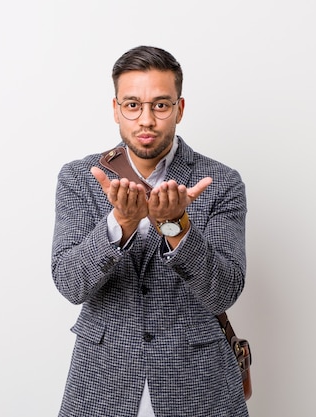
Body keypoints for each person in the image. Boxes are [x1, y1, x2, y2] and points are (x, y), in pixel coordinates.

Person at [51, 45, 249, 417]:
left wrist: (177, 227)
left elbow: (224, 292)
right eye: (132, 105)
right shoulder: (78, 179)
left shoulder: (221, 182)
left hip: (198, 386)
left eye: (160, 105)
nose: (146, 119)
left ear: (179, 109)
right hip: (102, 384)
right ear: (116, 110)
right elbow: (69, 283)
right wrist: (120, 225)